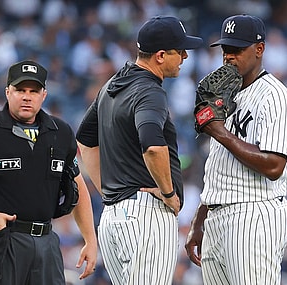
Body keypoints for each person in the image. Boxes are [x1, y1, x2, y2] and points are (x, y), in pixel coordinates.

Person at [75, 16, 203, 284]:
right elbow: (153, 147)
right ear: (159, 55)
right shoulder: (149, 91)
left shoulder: (111, 85)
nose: (185, 56)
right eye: (179, 51)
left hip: (112, 218)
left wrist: (110, 193)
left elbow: (85, 141)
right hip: (145, 216)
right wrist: (169, 193)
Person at [185, 14, 287, 285]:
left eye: (237, 50)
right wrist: (200, 219)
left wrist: (220, 133)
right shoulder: (226, 94)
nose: (229, 56)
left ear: (259, 49)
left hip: (255, 213)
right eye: (226, 49)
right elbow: (218, 165)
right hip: (217, 213)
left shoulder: (276, 98)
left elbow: (274, 166)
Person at [0, 60, 97, 284]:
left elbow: (77, 183)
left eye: (34, 91)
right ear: (7, 92)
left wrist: (90, 239)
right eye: (20, 90)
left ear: (44, 95)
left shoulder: (60, 132)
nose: (27, 96)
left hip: (46, 243)